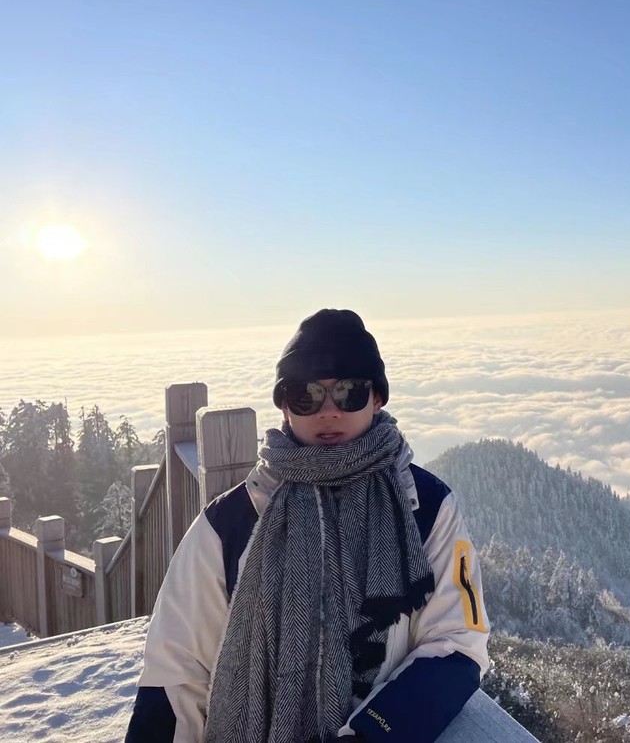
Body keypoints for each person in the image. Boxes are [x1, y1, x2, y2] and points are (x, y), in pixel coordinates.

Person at [125, 308, 490, 743]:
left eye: (349, 392)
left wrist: (372, 735)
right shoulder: (229, 525)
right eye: (306, 396)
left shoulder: (425, 509)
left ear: (377, 398)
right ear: (284, 406)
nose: (328, 411)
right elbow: (177, 673)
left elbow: (457, 641)